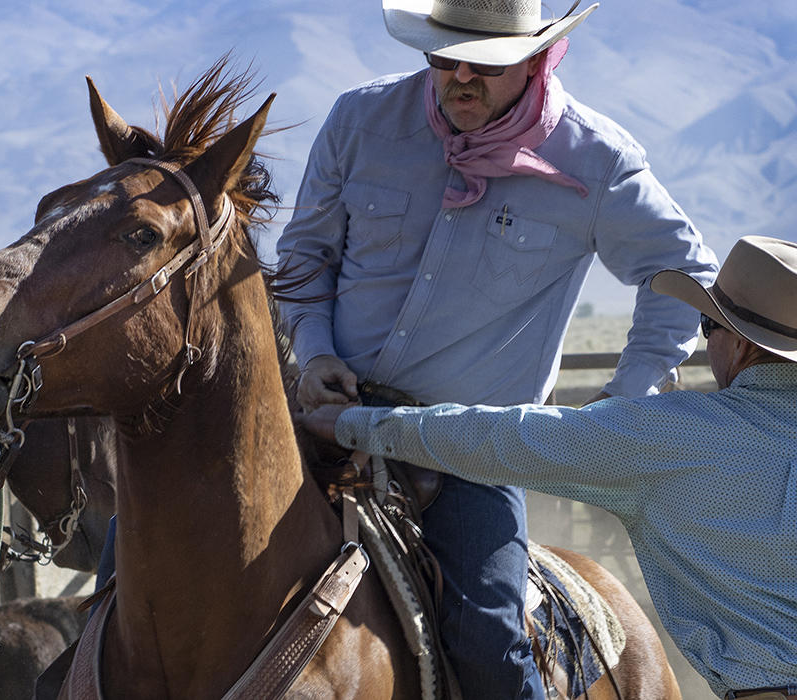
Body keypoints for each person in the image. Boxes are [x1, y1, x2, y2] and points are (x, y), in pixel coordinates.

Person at [275, 0, 719, 696]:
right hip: (323, 416)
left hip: (469, 447)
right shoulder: (360, 121)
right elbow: (304, 257)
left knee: (488, 644)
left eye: (483, 64)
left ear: (537, 57)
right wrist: (315, 350)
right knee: (157, 541)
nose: (458, 79)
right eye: (442, 58)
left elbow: (686, 276)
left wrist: (627, 398)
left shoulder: (594, 159)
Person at [297, 234, 797, 700]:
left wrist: (357, 425)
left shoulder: (674, 435)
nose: (707, 341)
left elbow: (505, 440)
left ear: (743, 344)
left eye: (709, 326)